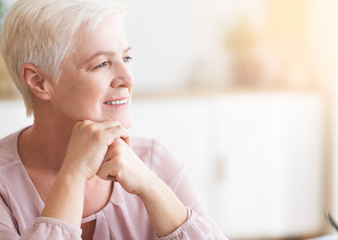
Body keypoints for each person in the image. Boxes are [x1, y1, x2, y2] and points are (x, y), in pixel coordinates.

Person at [0, 0, 227, 239]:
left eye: (126, 58)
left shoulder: (154, 160)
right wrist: (73, 174)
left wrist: (151, 186)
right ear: (38, 81)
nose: (128, 79)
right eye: (101, 64)